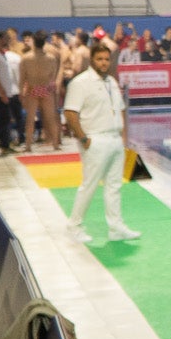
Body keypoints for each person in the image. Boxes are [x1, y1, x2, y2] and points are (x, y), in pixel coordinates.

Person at [61, 43, 140, 247]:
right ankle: (74, 226)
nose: (104, 63)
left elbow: (120, 109)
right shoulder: (81, 82)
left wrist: (123, 138)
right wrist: (84, 139)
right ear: (92, 60)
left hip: (114, 139)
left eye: (106, 59)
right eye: (99, 59)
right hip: (95, 139)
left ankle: (116, 227)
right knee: (89, 185)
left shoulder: (111, 81)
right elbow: (70, 112)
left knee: (114, 186)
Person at [19, 33, 61, 149]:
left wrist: (21, 92)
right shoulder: (51, 58)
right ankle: (56, 144)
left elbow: (22, 77)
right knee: (51, 118)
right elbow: (53, 75)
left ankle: (28, 145)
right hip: (46, 89)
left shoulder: (26, 58)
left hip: (32, 89)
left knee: (30, 119)